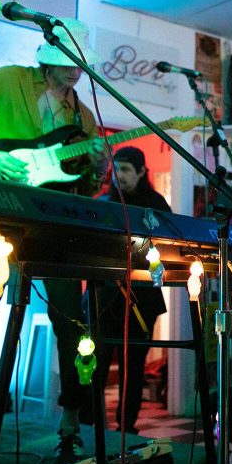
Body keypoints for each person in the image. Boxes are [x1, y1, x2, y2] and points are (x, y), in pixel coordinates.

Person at [0, 20, 107, 464]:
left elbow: (85, 185)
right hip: (5, 210)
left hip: (56, 225)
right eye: (67, 60)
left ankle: (71, 423)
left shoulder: (84, 117)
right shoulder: (6, 79)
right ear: (46, 55)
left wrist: (95, 167)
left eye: (80, 64)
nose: (75, 70)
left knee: (73, 327)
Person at [95, 146, 169, 435]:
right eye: (116, 170)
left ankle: (127, 428)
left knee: (133, 366)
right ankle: (93, 425)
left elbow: (165, 251)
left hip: (143, 299)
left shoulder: (157, 203)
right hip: (105, 295)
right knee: (97, 362)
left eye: (126, 170)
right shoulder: (105, 201)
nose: (119, 177)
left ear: (141, 172)